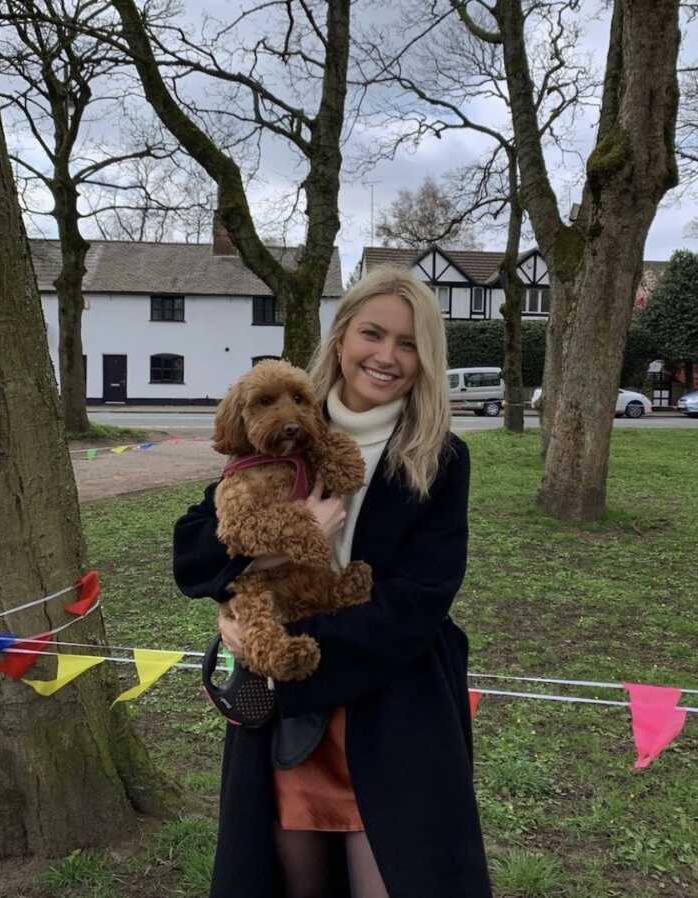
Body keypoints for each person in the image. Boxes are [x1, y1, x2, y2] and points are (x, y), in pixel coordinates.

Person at [173, 266, 493, 898]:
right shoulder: (281, 421)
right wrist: (261, 565)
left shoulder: (439, 457)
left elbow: (418, 601)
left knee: (397, 876)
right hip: (283, 711)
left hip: (392, 701)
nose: (386, 356)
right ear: (342, 336)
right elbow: (193, 551)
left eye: (408, 344)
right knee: (291, 881)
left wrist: (300, 655)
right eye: (373, 334)